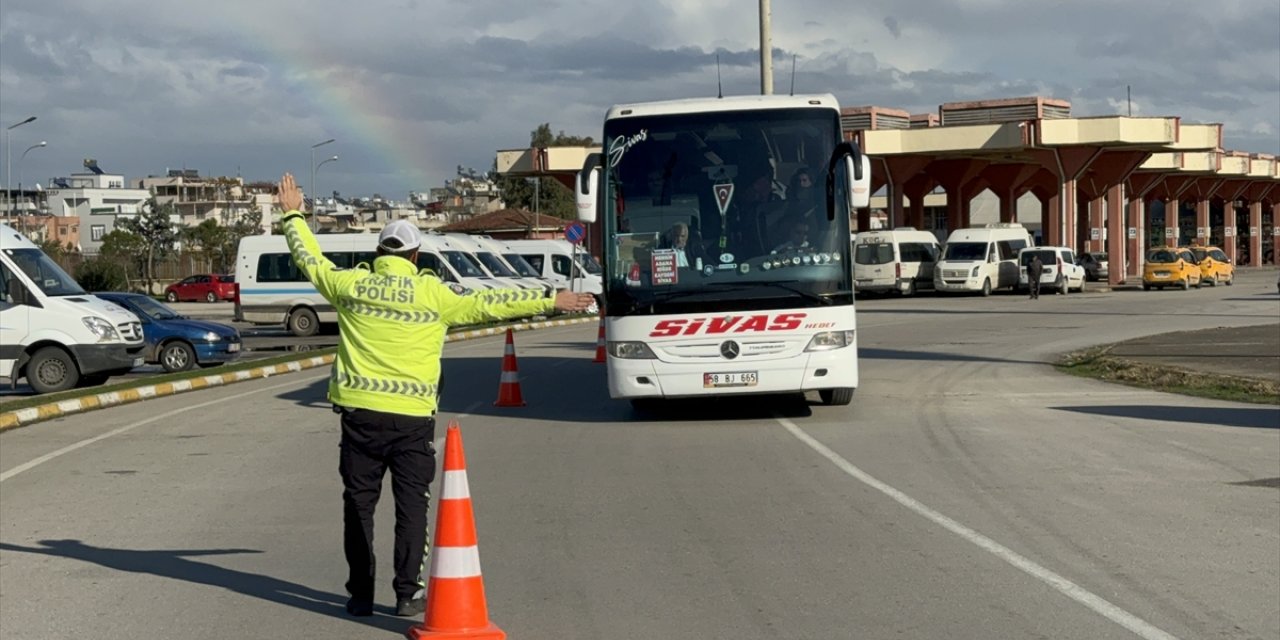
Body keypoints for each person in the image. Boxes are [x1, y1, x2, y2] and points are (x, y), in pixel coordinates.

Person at [274, 173, 594, 618]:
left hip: (360, 419)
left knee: (359, 506)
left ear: (378, 254)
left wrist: (291, 213)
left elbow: (309, 259)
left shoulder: (350, 286)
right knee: (412, 508)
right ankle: (407, 593)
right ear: (416, 255)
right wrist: (549, 298)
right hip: (411, 422)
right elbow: (491, 305)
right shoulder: (434, 294)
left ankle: (361, 595)